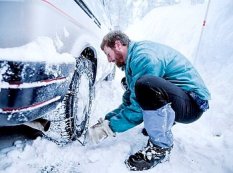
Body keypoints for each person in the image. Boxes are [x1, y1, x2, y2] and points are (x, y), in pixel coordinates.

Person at [87, 30, 210, 171]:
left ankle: (160, 148)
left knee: (145, 86)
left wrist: (109, 128)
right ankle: (160, 123)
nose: (109, 59)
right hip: (182, 98)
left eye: (108, 54)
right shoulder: (134, 58)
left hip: (192, 105)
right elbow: (130, 100)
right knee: (137, 85)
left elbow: (138, 108)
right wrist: (108, 120)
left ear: (118, 44)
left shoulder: (144, 57)